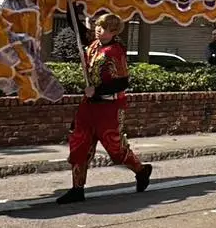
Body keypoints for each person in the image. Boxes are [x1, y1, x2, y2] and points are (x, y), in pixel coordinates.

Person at [57, 12, 152, 204]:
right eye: (98, 26)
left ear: (113, 31)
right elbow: (77, 28)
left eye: (104, 28)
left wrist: (97, 91)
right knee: (79, 144)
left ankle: (141, 170)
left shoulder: (115, 51)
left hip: (109, 107)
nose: (98, 30)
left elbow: (122, 82)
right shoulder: (94, 44)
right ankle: (77, 189)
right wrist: (71, 5)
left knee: (115, 149)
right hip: (88, 106)